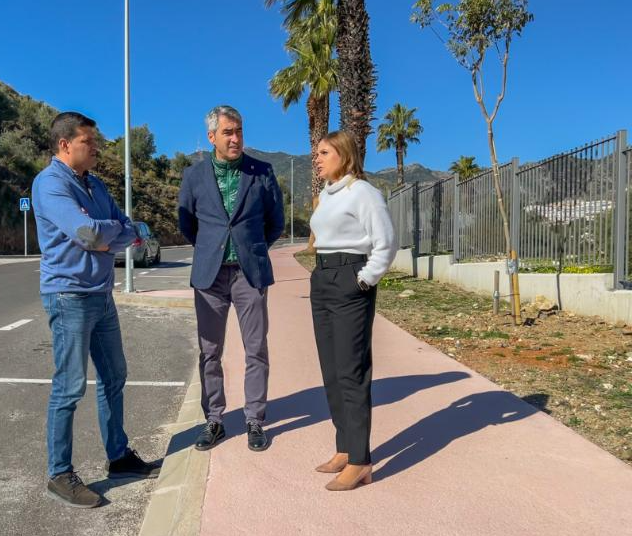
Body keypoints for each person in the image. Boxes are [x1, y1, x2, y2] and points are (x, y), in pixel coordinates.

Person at [32, 111, 160, 509]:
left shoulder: (96, 185)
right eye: (90, 142)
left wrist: (107, 236)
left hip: (101, 294)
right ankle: (59, 473)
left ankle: (118, 455)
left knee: (114, 376)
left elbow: (129, 228)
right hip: (69, 295)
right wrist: (105, 235)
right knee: (69, 386)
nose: (97, 149)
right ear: (64, 144)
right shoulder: (50, 183)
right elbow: (86, 233)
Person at [178, 105, 284, 452]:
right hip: (209, 276)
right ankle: (215, 420)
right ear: (212, 137)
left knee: (256, 348)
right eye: (228, 132)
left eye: (239, 131)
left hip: (249, 274)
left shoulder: (262, 172)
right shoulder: (193, 176)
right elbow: (187, 225)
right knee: (210, 351)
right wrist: (213, 248)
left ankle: (254, 419)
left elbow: (275, 222)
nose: (236, 138)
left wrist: (249, 248)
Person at [309, 130, 398, 491]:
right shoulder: (326, 196)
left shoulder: (363, 192)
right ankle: (344, 448)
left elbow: (386, 242)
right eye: (317, 153)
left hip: (349, 278)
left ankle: (360, 461)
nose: (317, 158)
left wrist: (364, 280)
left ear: (343, 155)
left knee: (351, 370)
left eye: (324, 152)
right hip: (322, 278)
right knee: (331, 370)